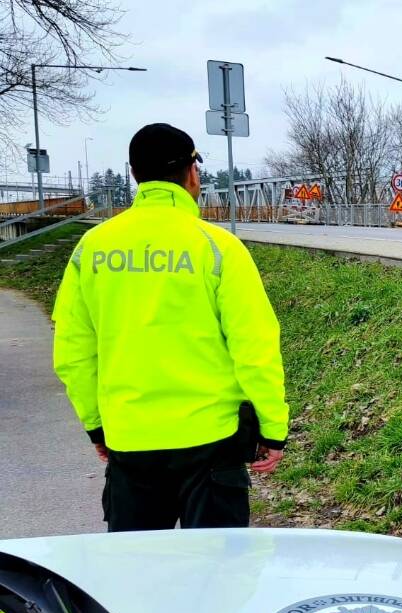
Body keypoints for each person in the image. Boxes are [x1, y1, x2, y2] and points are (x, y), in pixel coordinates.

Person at [52, 123, 289, 532]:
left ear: (133, 174)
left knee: (138, 581)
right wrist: (272, 428)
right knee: (220, 576)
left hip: (130, 439)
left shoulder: (91, 248)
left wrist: (96, 424)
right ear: (192, 172)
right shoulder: (218, 248)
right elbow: (254, 345)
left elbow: (73, 350)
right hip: (211, 441)